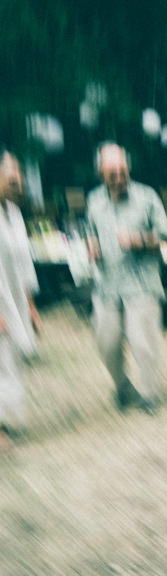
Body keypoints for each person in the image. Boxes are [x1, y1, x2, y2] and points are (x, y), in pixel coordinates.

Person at [86, 143, 167, 414]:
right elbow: (90, 230)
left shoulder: (147, 197)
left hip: (141, 285)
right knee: (107, 343)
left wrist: (138, 240)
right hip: (107, 285)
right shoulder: (94, 200)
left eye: (123, 170)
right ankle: (123, 388)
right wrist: (92, 246)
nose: (120, 177)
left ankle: (148, 394)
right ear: (101, 174)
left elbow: (164, 236)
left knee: (142, 342)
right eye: (113, 173)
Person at [0, 150, 40, 448]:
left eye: (17, 172)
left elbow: (24, 262)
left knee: (11, 362)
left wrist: (30, 305)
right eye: (8, 172)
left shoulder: (13, 212)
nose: (15, 178)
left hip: (13, 300)